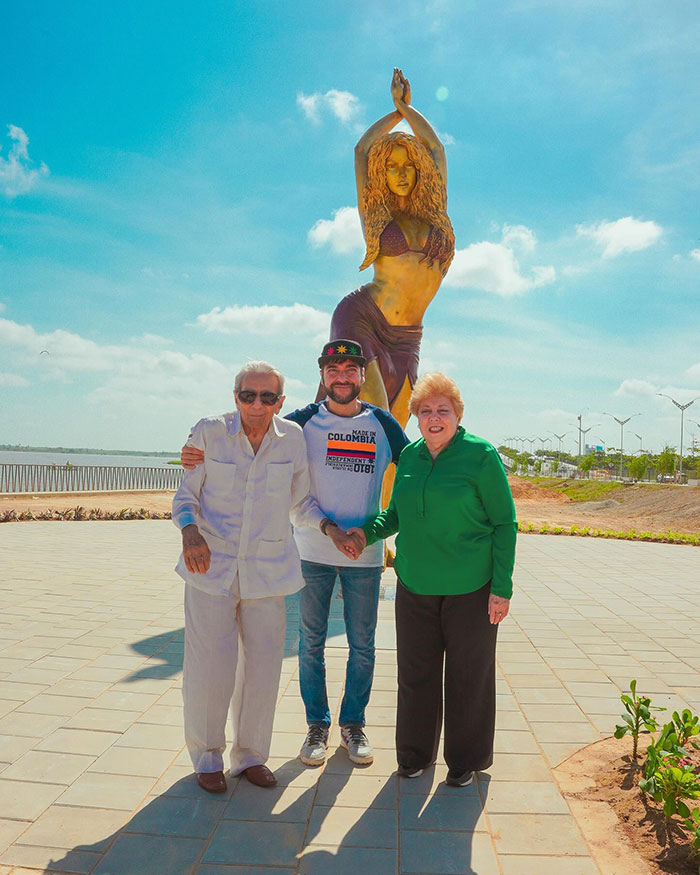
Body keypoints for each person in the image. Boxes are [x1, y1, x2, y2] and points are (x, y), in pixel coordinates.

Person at [182, 340, 408, 768]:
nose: (342, 376)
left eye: (351, 369)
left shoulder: (382, 423)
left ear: (362, 376)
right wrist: (194, 453)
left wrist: (378, 529)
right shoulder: (301, 421)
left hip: (365, 556)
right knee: (310, 645)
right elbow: (253, 432)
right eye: (333, 369)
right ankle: (316, 728)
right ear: (322, 376)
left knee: (363, 646)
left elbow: (417, 470)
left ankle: (353, 725)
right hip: (311, 553)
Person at [345, 373, 517, 787]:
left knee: (467, 676)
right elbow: (394, 517)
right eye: (426, 411)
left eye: (443, 410)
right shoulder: (411, 458)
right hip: (415, 585)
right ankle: (414, 755)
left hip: (471, 589)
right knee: (415, 674)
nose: (434, 418)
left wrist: (502, 587)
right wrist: (364, 534)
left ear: (458, 415)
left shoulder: (481, 455)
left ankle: (464, 760)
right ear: (416, 418)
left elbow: (504, 523)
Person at [172, 361, 311, 793]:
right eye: (248, 395)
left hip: (268, 571)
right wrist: (189, 531)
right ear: (236, 397)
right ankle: (208, 756)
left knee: (264, 669)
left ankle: (250, 756)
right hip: (209, 567)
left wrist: (335, 530)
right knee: (209, 667)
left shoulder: (294, 439)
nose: (257, 404)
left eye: (267, 397)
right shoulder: (209, 432)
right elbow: (185, 495)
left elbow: (301, 502)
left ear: (279, 402)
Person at [322, 69, 455, 440]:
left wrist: (407, 108)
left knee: (395, 436)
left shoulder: (435, 216)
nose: (400, 173)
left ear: (419, 172)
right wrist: (395, 113)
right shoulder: (377, 218)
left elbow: (436, 150)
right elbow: (361, 150)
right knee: (377, 419)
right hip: (363, 318)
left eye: (407, 166)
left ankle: (383, 501)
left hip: (408, 336)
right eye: (391, 166)